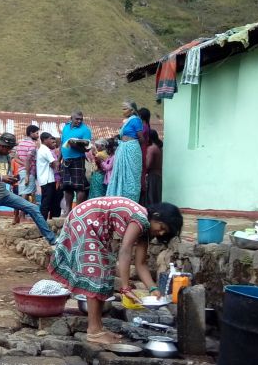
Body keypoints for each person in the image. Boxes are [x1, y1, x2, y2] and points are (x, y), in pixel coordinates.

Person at [47, 197, 183, 344]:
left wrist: (153, 289)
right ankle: (93, 331)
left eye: (165, 232)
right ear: (156, 216)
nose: (161, 233)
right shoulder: (141, 219)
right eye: (162, 227)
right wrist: (125, 287)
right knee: (95, 272)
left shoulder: (145, 229)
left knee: (104, 269)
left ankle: (98, 327)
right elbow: (125, 251)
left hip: (94, 224)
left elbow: (141, 263)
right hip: (86, 219)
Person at [0, 133, 57, 279]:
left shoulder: (6, 157)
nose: (10, 151)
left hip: (3, 193)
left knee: (33, 208)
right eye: (8, 148)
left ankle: (53, 241)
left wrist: (10, 180)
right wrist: (1, 178)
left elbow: (3, 176)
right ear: (2, 146)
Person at [106, 101, 144, 202]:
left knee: (130, 177)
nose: (123, 111)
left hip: (131, 150)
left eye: (125, 109)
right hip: (123, 148)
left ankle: (129, 201)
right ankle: (118, 200)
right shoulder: (127, 121)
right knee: (120, 175)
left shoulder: (135, 120)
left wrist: (132, 147)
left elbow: (141, 138)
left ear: (132, 110)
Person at [60, 111, 92, 212]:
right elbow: (62, 144)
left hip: (78, 160)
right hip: (66, 160)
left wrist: (75, 145)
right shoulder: (65, 127)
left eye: (81, 119)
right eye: (77, 119)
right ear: (71, 118)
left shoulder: (85, 130)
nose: (79, 121)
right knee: (67, 187)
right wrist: (58, 160)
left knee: (79, 187)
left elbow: (86, 149)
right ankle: (68, 211)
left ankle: (77, 211)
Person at [13, 125, 40, 224]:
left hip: (21, 171)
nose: (38, 135)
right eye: (37, 133)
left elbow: (16, 158)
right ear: (31, 133)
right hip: (29, 171)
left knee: (24, 192)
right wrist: (28, 173)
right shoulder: (32, 145)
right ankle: (22, 217)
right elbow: (29, 159)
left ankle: (22, 217)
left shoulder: (20, 143)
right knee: (26, 193)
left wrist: (23, 165)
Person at [36, 132, 61, 220]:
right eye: (50, 139)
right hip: (48, 180)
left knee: (48, 202)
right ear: (45, 140)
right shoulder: (45, 150)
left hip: (45, 180)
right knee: (46, 203)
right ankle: (42, 223)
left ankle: (45, 222)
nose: (52, 141)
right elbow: (54, 164)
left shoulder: (43, 149)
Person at [145, 130, 163, 206]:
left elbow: (148, 165)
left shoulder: (151, 149)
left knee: (151, 198)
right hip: (158, 175)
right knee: (156, 197)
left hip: (152, 175)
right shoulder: (158, 148)